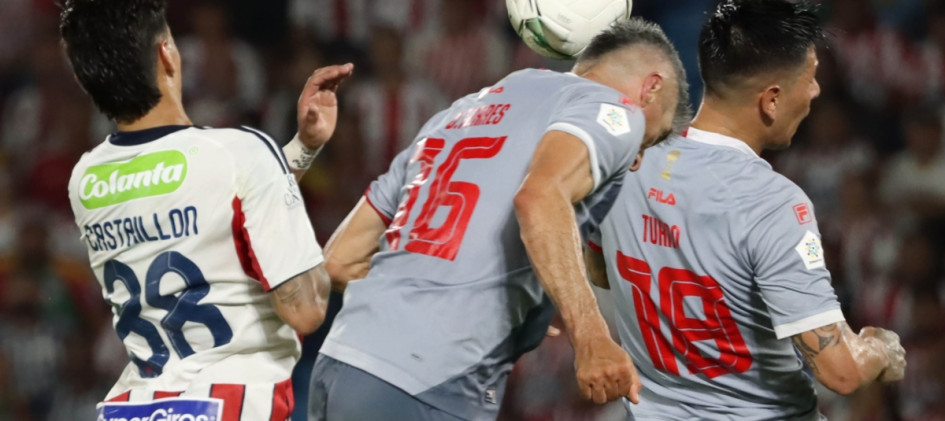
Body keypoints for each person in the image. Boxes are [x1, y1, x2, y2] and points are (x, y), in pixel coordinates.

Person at [309, 18, 689, 421]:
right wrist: (593, 338)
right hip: (426, 383)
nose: (636, 160)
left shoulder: (457, 113)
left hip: (341, 363)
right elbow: (540, 197)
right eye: (651, 138)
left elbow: (338, 261)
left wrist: (471, 301)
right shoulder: (615, 110)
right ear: (651, 88)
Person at [584, 1, 907, 420]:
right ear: (771, 100)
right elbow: (841, 371)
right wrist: (880, 350)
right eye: (809, 78)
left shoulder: (628, 163)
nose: (815, 91)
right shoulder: (772, 203)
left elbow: (600, 272)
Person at [60, 0, 352, 419]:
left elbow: (204, 201)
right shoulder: (242, 151)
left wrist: (301, 150)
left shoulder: (86, 179)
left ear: (82, 77)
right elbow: (305, 311)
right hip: (231, 403)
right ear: (166, 54)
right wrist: (337, 262)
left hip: (135, 408)